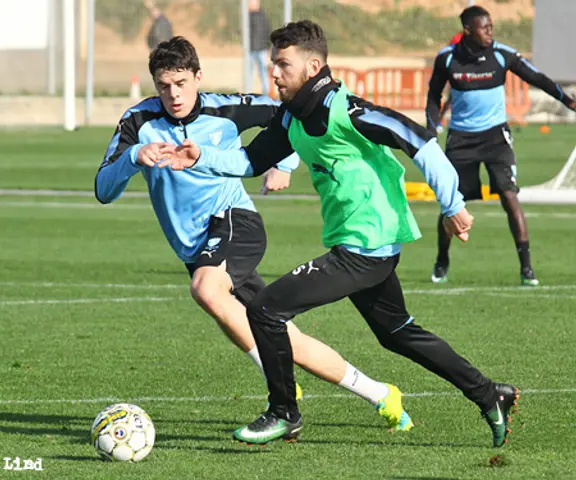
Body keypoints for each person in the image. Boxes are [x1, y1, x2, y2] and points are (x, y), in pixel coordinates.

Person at [149, 21, 520, 448]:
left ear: (313, 65)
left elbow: (420, 141)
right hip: (359, 244)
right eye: (273, 64)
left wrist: (453, 205)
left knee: (266, 310)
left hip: (366, 247)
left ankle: (283, 412)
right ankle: (489, 393)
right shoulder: (293, 116)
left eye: (283, 65)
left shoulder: (348, 110)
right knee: (397, 333)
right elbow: (251, 161)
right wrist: (202, 156)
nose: (274, 73)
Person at [94, 36, 413, 433]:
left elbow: (293, 114)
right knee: (282, 336)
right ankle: (381, 394)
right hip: (196, 248)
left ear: (198, 77)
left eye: (181, 84)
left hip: (233, 222)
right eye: (164, 86)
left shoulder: (226, 108)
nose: (174, 95)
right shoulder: (138, 122)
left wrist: (287, 162)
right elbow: (103, 190)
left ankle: (280, 393)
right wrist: (132, 158)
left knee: (207, 290)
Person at [426, 6, 576, 286]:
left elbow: (536, 77)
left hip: (496, 137)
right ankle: (442, 260)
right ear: (468, 31)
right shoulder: (447, 59)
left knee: (509, 196)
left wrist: (566, 100)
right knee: (451, 204)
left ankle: (527, 268)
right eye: (485, 28)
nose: (490, 32)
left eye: (492, 27)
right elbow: (434, 95)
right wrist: (430, 129)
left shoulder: (501, 54)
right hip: (460, 139)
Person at [435, 32, 463, 134]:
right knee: (451, 98)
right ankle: (440, 122)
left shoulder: (475, 38)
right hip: (458, 72)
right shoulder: (458, 37)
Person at [248, 0, 271, 96]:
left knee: (263, 71)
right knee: (249, 71)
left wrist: (268, 46)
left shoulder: (263, 16)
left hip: (261, 49)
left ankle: (266, 92)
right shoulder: (247, 16)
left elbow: (267, 31)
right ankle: (248, 91)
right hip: (250, 49)